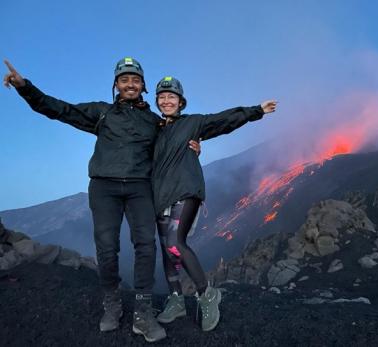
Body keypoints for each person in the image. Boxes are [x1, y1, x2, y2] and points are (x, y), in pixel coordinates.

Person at [3, 59, 200, 343]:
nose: (130, 84)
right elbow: (60, 110)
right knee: (107, 248)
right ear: (116, 85)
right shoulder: (101, 112)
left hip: (140, 188)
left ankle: (143, 313)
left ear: (143, 85)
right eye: (124, 79)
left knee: (146, 246)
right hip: (104, 187)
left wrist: (194, 145)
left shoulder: (154, 123)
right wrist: (25, 88)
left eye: (135, 79)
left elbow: (174, 142)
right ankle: (112, 303)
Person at [152, 76, 277, 331]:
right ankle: (176, 299)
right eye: (162, 97)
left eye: (171, 97)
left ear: (181, 102)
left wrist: (256, 111)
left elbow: (222, 121)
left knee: (176, 243)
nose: (166, 101)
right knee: (167, 249)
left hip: (186, 190)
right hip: (160, 196)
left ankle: (206, 294)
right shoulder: (155, 130)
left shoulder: (193, 123)